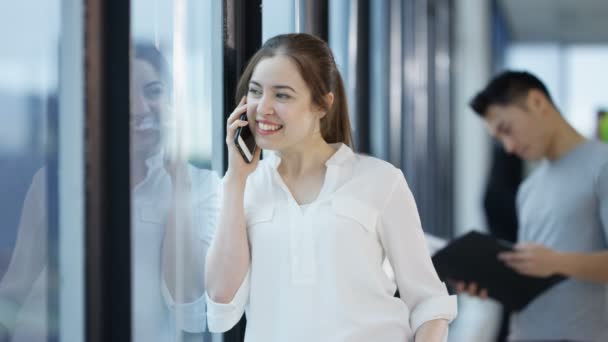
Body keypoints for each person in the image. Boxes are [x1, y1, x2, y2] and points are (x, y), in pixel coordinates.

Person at [204, 33, 457, 342]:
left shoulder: (380, 180)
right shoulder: (243, 188)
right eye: (255, 92)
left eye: (282, 95)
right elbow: (221, 305)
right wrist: (236, 180)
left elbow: (429, 303)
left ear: (323, 105)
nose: (263, 107)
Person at [0, 43, 221, 342]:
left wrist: (178, 181)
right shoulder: (55, 181)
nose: (139, 107)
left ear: (170, 99)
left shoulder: (202, 186)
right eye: (123, 94)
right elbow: (18, 283)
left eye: (153, 91)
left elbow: (188, 306)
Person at [461, 70, 608, 342]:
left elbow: (549, 263)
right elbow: (531, 272)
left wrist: (558, 262)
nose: (508, 147)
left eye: (507, 129)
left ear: (537, 102)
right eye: (499, 139)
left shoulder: (602, 165)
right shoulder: (529, 189)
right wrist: (491, 282)